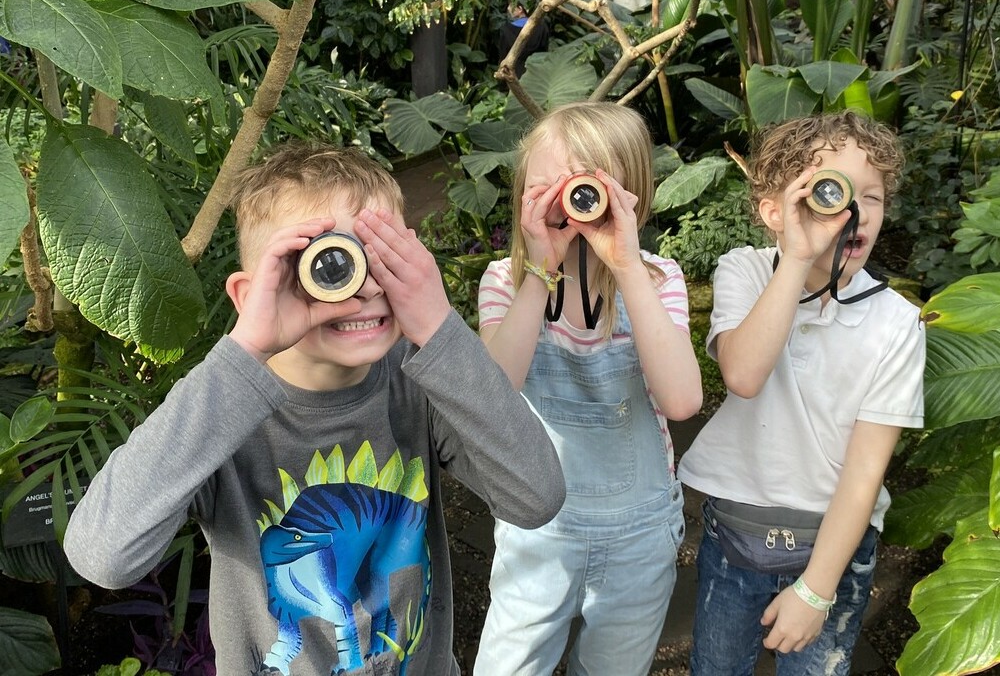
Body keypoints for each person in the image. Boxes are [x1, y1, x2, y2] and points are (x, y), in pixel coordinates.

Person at [63, 142, 566, 676]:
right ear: (250, 294)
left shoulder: (417, 382)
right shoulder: (221, 414)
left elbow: (536, 497)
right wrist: (243, 353)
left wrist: (439, 328)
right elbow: (102, 557)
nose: (364, 287)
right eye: (328, 264)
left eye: (384, 257)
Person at [676, 111, 926, 676]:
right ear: (775, 210)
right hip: (735, 535)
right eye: (831, 193)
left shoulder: (897, 323)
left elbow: (866, 473)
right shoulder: (745, 271)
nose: (854, 213)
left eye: (873, 197)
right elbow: (744, 373)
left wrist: (816, 591)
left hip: (833, 552)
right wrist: (796, 256)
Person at [473, 102, 703, 676]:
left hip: (639, 534)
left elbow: (681, 402)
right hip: (537, 529)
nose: (569, 207)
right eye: (547, 189)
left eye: (586, 189)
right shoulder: (505, 281)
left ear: (632, 199)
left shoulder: (656, 279)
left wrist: (625, 264)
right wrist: (540, 273)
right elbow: (492, 401)